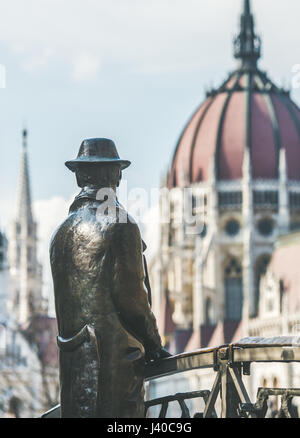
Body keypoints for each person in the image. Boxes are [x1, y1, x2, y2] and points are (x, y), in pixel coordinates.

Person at [50, 138, 170, 418]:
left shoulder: (60, 234)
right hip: (115, 370)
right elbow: (134, 301)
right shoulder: (119, 223)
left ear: (79, 176)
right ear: (117, 175)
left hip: (74, 369)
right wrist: (154, 345)